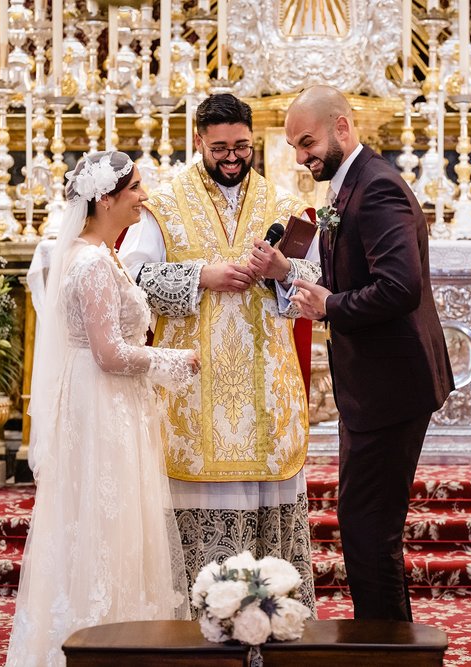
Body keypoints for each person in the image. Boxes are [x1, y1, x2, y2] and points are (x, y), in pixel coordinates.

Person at [118, 93, 320, 613]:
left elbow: (316, 286)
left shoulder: (284, 207)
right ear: (198, 142)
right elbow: (129, 282)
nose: (232, 158)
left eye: (242, 147)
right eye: (220, 148)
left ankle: (272, 630)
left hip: (263, 393)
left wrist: (281, 273)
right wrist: (202, 276)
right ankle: (196, 636)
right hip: (195, 394)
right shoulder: (161, 207)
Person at [6, 151, 199, 667]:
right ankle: (102, 639)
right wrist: (178, 361)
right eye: (135, 187)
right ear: (104, 198)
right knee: (107, 521)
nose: (143, 196)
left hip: (105, 400)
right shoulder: (91, 262)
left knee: (109, 521)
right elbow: (109, 353)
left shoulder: (97, 253)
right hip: (103, 402)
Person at [285, 85, 454, 621]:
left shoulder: (376, 187)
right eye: (293, 146)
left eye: (306, 142)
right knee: (365, 527)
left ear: (341, 128)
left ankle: (387, 649)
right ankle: (385, 646)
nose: (300, 156)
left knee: (368, 531)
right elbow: (349, 270)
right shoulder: (349, 183)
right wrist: (287, 272)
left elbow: (400, 287)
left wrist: (330, 305)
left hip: (391, 386)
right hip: (376, 386)